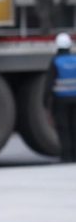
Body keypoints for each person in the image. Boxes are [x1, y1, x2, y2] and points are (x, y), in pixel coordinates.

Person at [44, 32, 76, 163]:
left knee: (63, 127)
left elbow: (49, 83)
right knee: (74, 126)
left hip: (61, 100)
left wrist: (45, 102)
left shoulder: (56, 61)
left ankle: (67, 155)